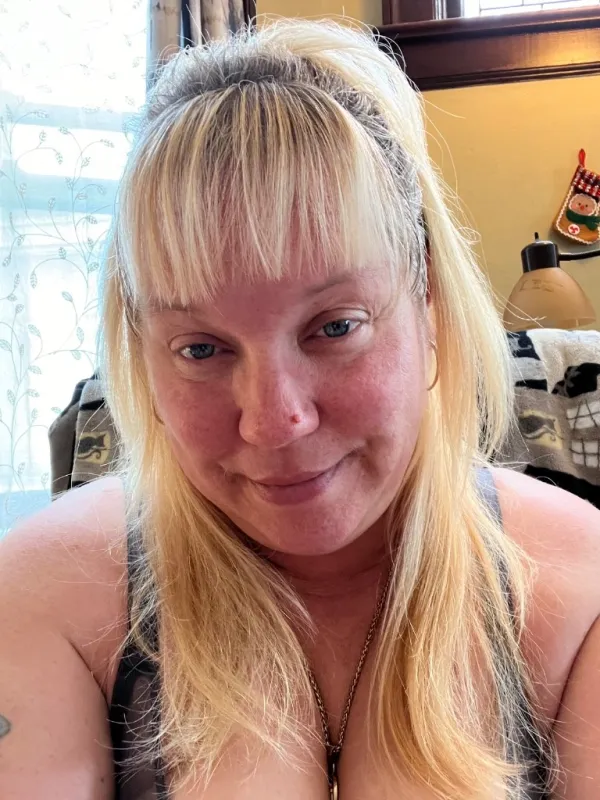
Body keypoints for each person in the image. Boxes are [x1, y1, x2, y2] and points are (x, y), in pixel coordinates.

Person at [1, 17, 599, 800]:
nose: (274, 421)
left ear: (427, 303)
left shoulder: (579, 599)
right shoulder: (44, 597)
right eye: (201, 349)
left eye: (335, 327)